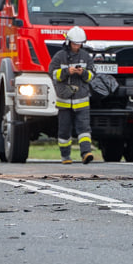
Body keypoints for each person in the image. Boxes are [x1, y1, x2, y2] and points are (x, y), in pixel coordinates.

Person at [48, 26, 95, 165]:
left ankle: (86, 153)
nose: (77, 46)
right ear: (69, 42)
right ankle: (65, 156)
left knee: (84, 130)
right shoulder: (59, 57)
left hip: (82, 100)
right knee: (64, 131)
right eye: (75, 43)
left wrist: (83, 73)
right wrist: (66, 71)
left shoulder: (86, 57)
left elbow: (92, 76)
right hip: (64, 100)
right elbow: (53, 74)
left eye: (79, 44)